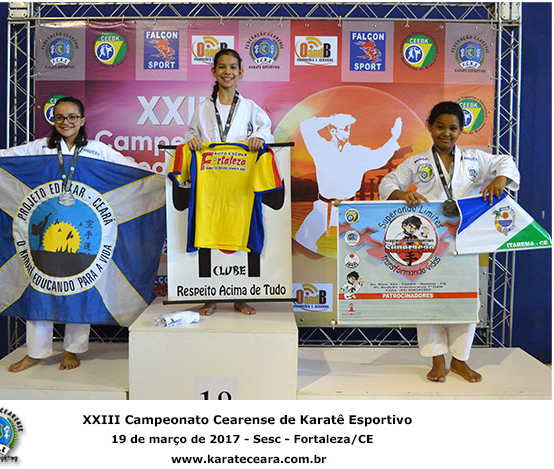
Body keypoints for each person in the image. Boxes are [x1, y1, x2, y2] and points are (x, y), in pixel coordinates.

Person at [0, 96, 144, 373]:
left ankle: (72, 349)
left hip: (84, 233)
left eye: (72, 117)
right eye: (59, 117)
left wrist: (160, 177)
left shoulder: (97, 150)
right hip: (44, 233)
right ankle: (36, 352)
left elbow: (129, 168)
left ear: (82, 120)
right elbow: (6, 157)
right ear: (53, 120)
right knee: (39, 289)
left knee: (81, 289)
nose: (65, 122)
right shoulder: (40, 148)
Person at [379, 101, 520, 383]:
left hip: (466, 237)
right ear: (430, 128)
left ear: (461, 130)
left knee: (466, 299)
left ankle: (460, 360)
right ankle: (437, 359)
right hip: (428, 239)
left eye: (453, 128)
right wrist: (401, 195)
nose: (446, 133)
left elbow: (506, 161)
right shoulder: (417, 162)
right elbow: (388, 182)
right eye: (440, 127)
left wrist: (500, 180)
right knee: (428, 296)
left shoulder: (474, 159)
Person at [183, 48, 275, 317]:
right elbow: (190, 133)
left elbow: (265, 129)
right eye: (222, 67)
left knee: (240, 234)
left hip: (239, 183)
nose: (227, 72)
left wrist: (259, 138)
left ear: (241, 72)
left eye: (233, 67)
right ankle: (210, 298)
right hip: (211, 184)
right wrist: (193, 140)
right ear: (213, 71)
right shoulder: (203, 108)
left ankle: (240, 298)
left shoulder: (250, 107)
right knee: (209, 234)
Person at [296, 113, 402, 253]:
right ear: (333, 131)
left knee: (359, 248)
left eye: (348, 128)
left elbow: (379, 157)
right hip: (323, 208)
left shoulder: (357, 152)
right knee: (303, 242)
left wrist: (394, 139)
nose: (346, 132)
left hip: (350, 209)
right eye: (342, 128)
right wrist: (330, 120)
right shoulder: (320, 148)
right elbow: (306, 127)